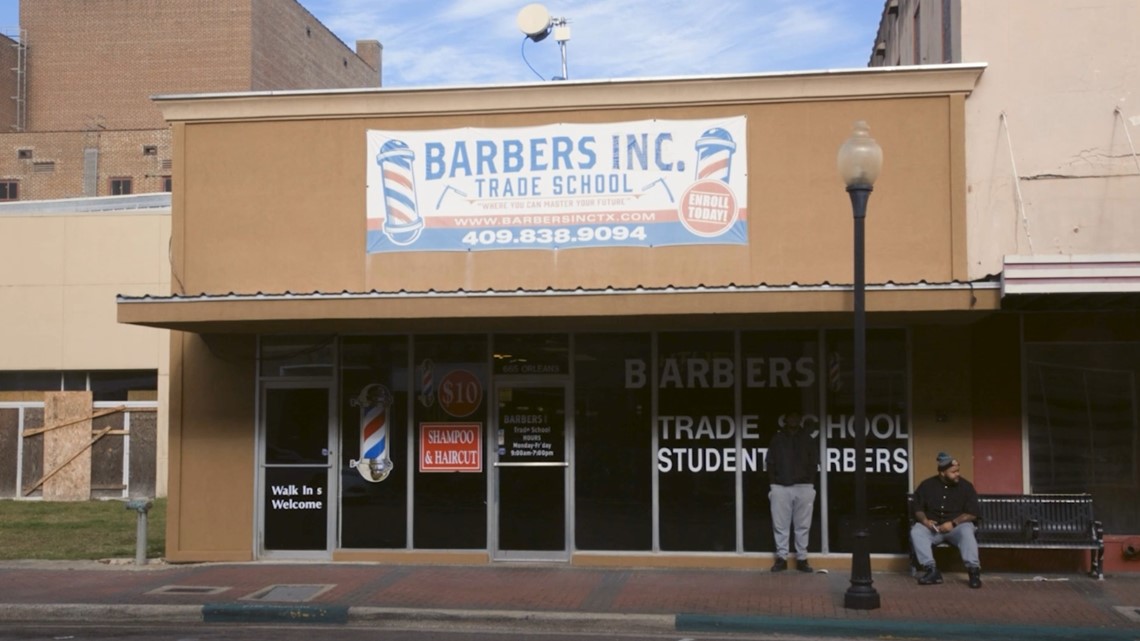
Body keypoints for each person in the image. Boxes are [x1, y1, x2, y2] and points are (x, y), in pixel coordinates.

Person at [910, 452, 982, 588]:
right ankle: (931, 570)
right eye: (953, 472)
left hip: (956, 527)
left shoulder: (966, 486)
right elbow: (917, 508)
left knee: (967, 529)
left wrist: (953, 523)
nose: (957, 474)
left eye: (958, 471)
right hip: (934, 528)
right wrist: (925, 521)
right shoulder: (927, 485)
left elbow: (973, 513)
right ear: (942, 473)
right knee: (917, 531)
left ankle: (974, 571)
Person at [765, 411, 819, 572]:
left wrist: (809, 482)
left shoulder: (807, 438)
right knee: (780, 525)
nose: (793, 419)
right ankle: (782, 558)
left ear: (800, 419)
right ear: (786, 419)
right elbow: (770, 462)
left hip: (804, 487)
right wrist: (773, 484)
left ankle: (802, 559)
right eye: (791, 416)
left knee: (803, 526)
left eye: (796, 416)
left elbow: (813, 462)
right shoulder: (778, 438)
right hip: (781, 487)